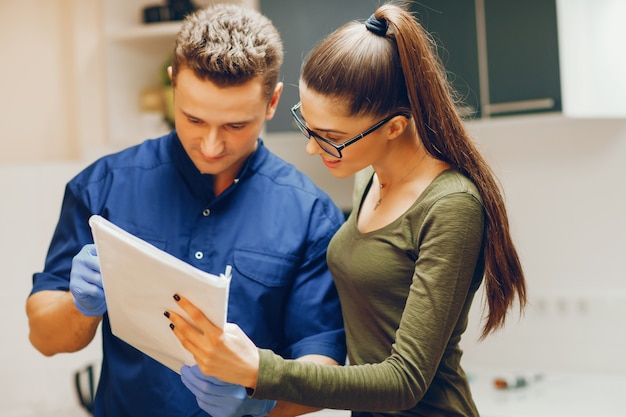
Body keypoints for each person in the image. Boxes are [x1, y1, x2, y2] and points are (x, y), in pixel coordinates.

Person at [165, 3, 527, 417]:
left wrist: (261, 372)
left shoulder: (451, 206)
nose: (312, 148)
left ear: (394, 127)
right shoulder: (367, 179)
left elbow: (403, 382)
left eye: (332, 137)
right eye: (310, 127)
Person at [26, 4, 347, 417]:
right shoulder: (101, 187)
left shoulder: (311, 214)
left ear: (273, 102)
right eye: (193, 119)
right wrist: (78, 303)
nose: (211, 146)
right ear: (174, 83)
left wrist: (261, 401)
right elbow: (44, 337)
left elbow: (322, 364)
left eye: (235, 126)